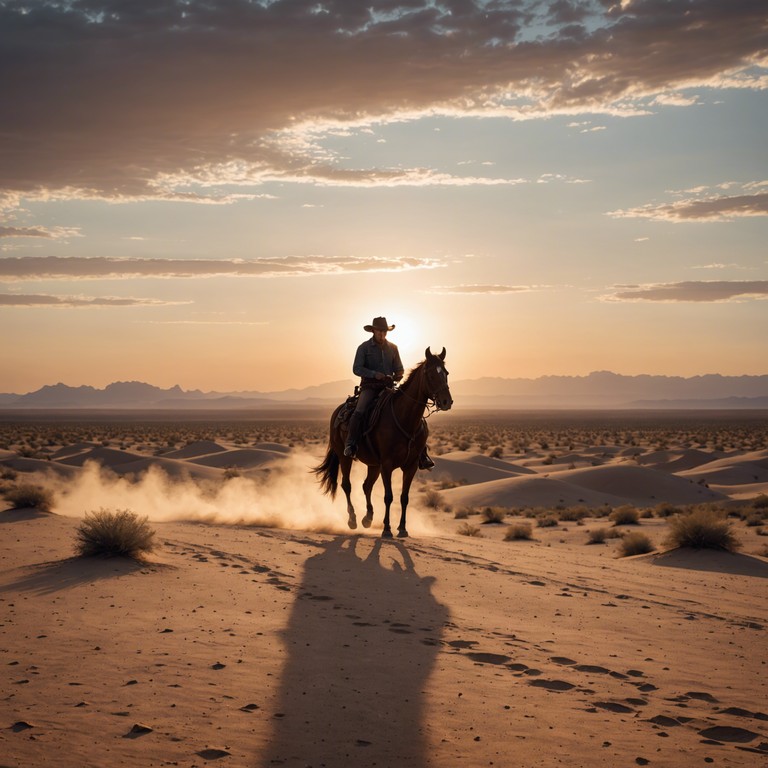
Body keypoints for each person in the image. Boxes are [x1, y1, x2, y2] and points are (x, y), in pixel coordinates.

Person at [344, 316, 435, 470]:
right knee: (359, 411)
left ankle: (421, 452)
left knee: (411, 413)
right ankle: (351, 444)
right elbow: (356, 368)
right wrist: (374, 374)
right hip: (370, 387)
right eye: (379, 331)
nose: (382, 334)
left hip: (389, 387)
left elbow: (399, 367)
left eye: (384, 331)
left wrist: (398, 375)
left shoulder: (393, 348)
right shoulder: (364, 348)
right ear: (373, 331)